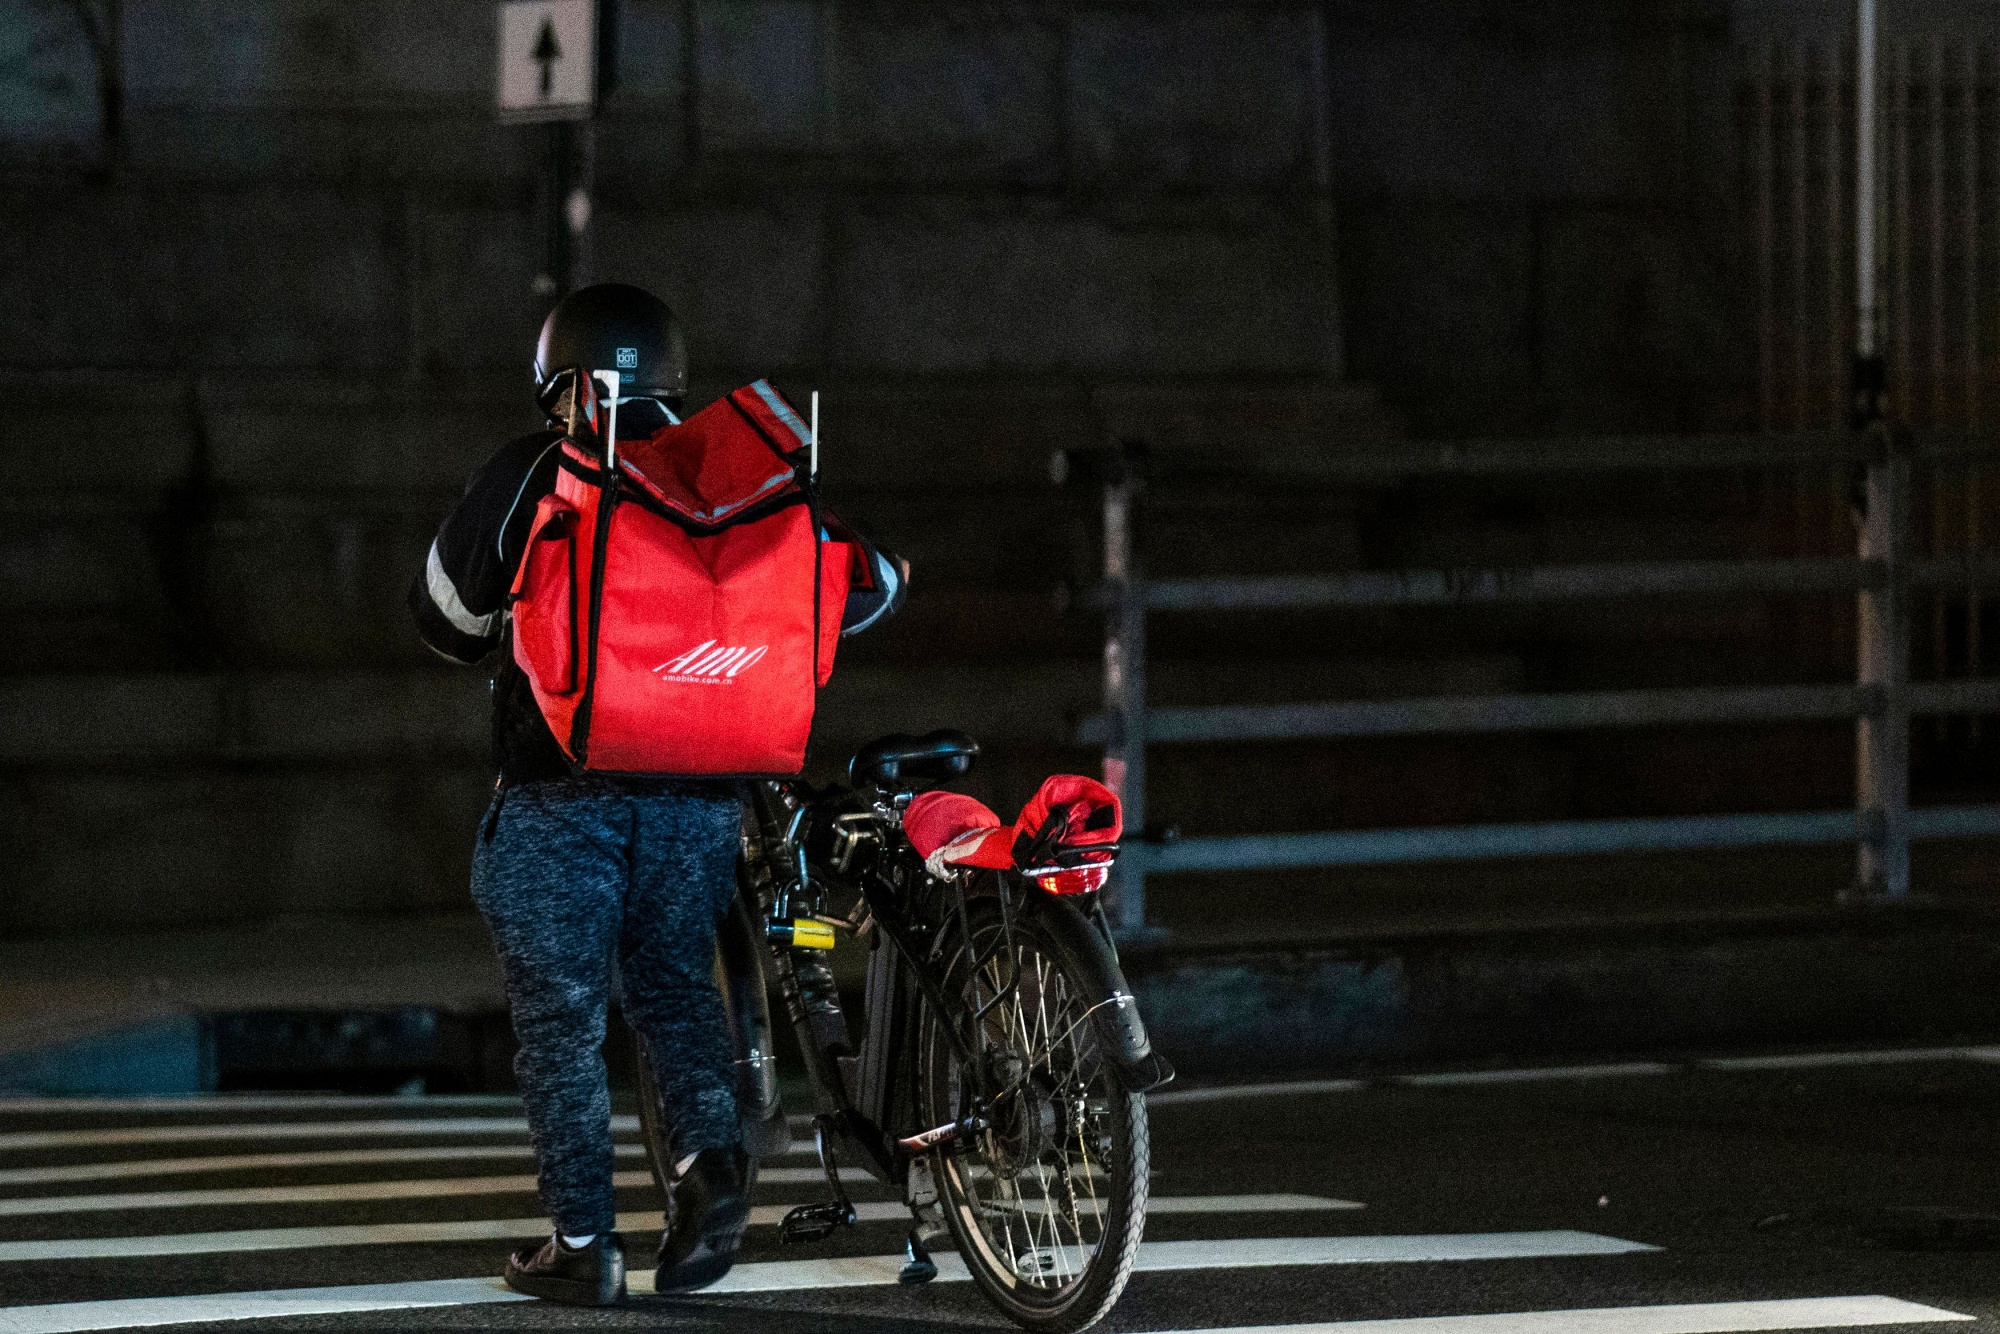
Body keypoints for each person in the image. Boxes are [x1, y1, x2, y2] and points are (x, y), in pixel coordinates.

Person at [409, 283, 907, 1305]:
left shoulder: (542, 466)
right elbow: (873, 583)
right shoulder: (736, 473)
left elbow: (443, 615)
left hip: (559, 795)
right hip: (698, 797)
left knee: (561, 1020)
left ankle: (584, 1241)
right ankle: (710, 1168)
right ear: (674, 373)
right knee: (677, 989)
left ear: (558, 380)